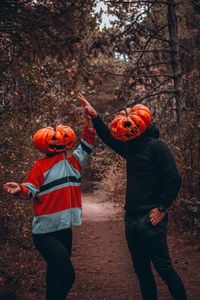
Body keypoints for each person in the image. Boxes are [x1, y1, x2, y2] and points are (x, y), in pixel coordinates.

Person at [78, 93, 187, 300]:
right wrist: (95, 116)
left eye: (132, 124)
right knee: (142, 271)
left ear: (143, 123)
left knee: (164, 269)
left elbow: (173, 178)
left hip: (152, 219)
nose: (128, 128)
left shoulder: (157, 147)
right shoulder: (130, 148)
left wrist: (162, 207)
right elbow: (109, 138)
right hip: (131, 219)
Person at [3, 115, 96, 300]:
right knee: (67, 276)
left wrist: (90, 121)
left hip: (64, 231)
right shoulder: (40, 166)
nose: (57, 141)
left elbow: (87, 143)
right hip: (45, 234)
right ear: (44, 144)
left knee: (54, 277)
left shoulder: (74, 163)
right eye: (53, 139)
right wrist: (19, 188)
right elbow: (30, 189)